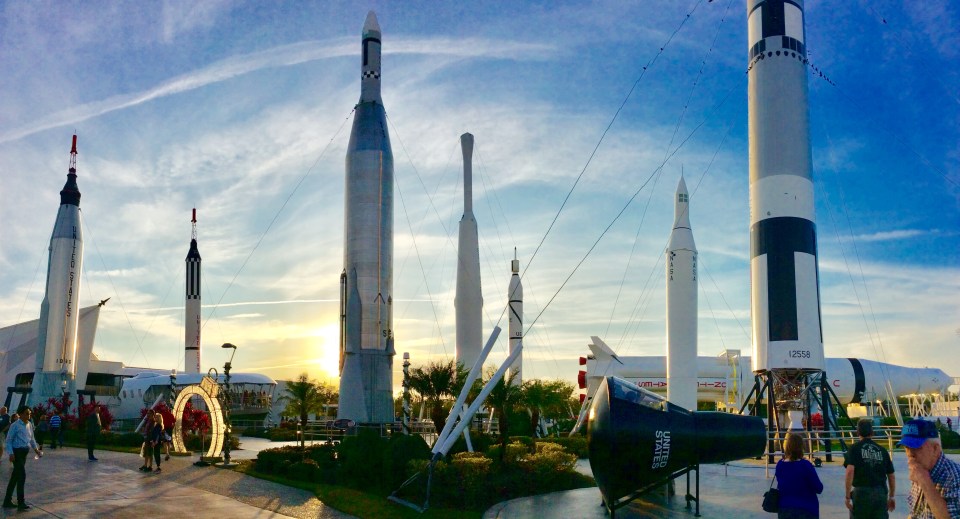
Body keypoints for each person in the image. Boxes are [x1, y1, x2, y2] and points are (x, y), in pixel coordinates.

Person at [898, 418, 960, 519]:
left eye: (916, 447)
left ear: (936, 449)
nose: (910, 454)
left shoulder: (954, 478)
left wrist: (925, 482)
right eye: (906, 447)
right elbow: (915, 512)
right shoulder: (920, 470)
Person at [844, 418, 896, 517]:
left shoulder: (854, 449)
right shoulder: (882, 450)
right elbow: (891, 475)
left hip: (861, 492)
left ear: (857, 432)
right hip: (880, 492)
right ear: (872, 432)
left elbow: (850, 471)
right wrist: (892, 496)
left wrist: (847, 496)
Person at [774, 432, 824, 518]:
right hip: (806, 509)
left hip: (785, 508)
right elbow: (818, 488)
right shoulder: (805, 465)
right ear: (801, 448)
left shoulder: (780, 465)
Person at [2, 407, 41, 511]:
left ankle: (7, 501)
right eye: (26, 413)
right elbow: (8, 440)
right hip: (17, 453)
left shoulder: (29, 424)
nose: (29, 415)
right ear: (20, 414)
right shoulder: (15, 425)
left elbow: (32, 439)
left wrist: (36, 450)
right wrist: (10, 453)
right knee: (22, 476)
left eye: (29, 413)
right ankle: (21, 502)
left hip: (24, 453)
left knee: (15, 477)